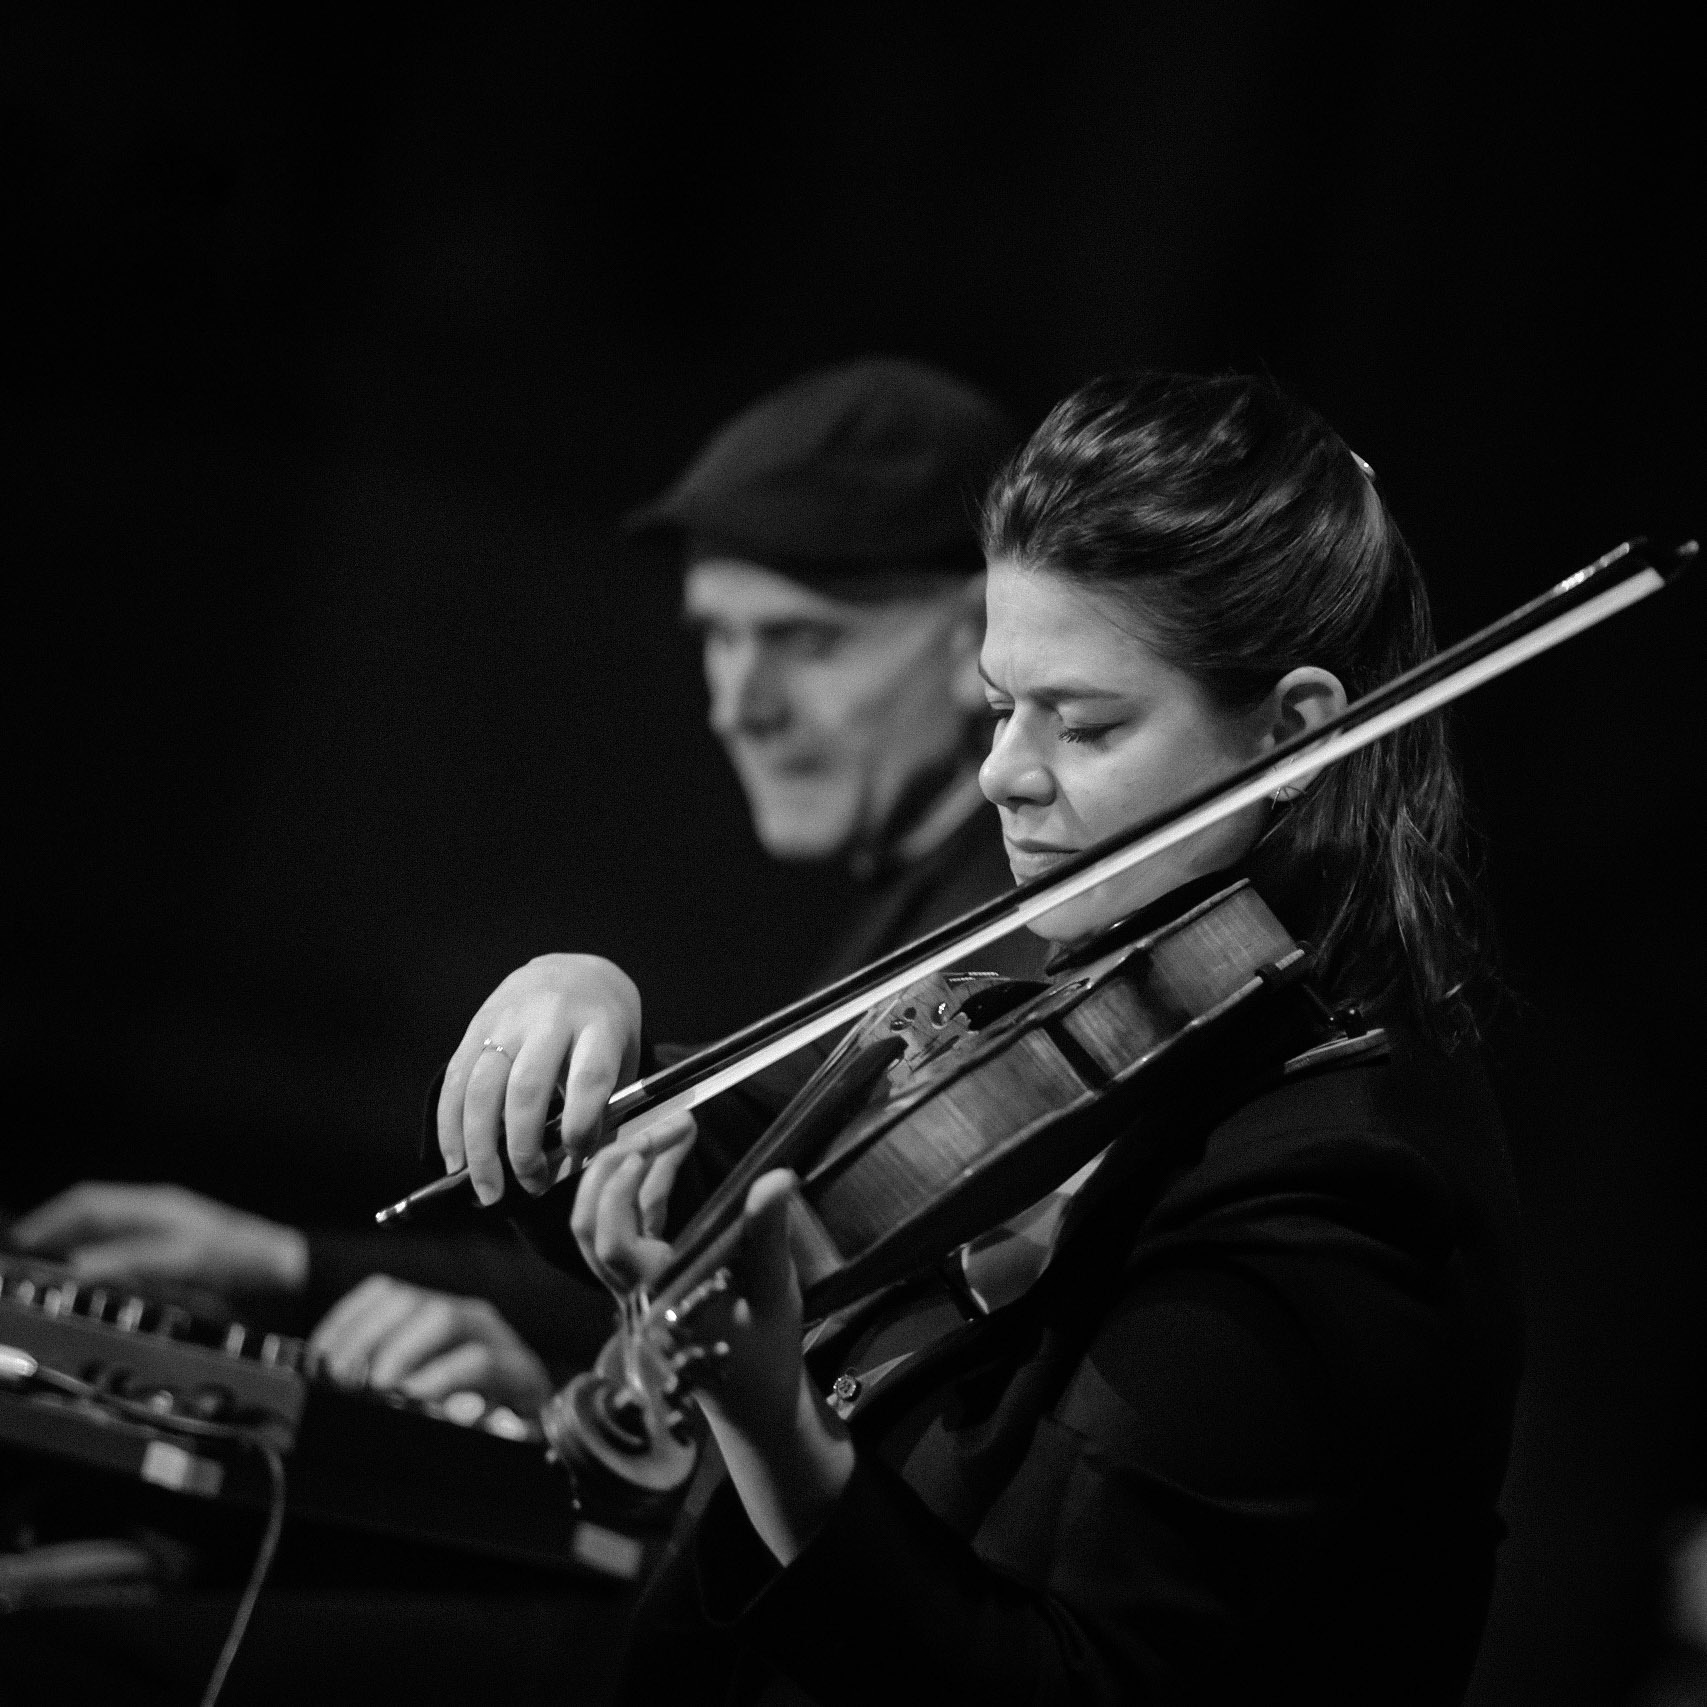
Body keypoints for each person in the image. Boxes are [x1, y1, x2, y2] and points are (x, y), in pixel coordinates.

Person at [442, 371, 1523, 1704]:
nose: (1000, 772)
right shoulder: (1098, 978)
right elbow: (747, 1182)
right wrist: (582, 1022)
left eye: (1085, 723)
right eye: (1000, 703)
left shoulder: (1341, 1186)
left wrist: (773, 1424)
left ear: (1293, 733)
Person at [10, 357, 1036, 1408]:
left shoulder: (1011, 929)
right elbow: (666, 1280)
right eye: (718, 639)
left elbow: (784, 1275)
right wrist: (287, 1267)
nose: (738, 705)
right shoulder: (918, 902)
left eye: (805, 641)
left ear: (979, 637)